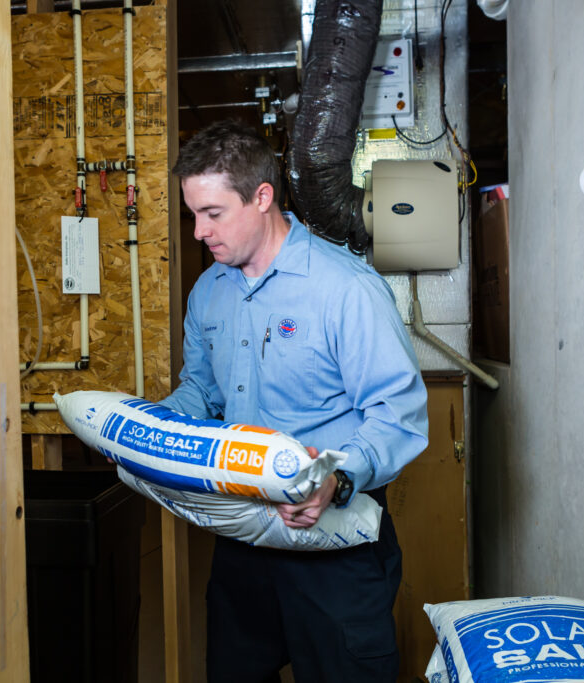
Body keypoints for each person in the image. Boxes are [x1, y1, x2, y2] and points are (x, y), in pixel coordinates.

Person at [161, 119, 429, 683]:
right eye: (193, 214)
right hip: (242, 538)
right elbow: (201, 391)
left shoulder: (344, 289)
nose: (198, 233)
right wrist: (150, 433)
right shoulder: (210, 290)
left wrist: (336, 475)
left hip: (333, 546)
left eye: (212, 214)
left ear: (262, 198)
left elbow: (397, 415)